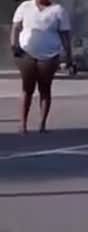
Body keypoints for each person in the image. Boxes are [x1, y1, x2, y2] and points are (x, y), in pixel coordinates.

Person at [10, 0, 74, 134]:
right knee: (27, 88)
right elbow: (16, 27)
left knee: (45, 88)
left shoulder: (58, 10)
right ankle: (23, 124)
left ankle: (42, 124)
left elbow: (65, 35)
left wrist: (69, 56)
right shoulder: (25, 6)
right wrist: (14, 45)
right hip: (26, 51)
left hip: (50, 54)